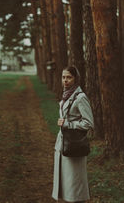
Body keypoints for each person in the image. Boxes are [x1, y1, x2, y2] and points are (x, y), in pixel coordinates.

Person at [52, 66, 94, 203]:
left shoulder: (80, 97)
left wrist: (68, 124)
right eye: (63, 77)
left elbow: (88, 123)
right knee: (66, 184)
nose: (65, 80)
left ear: (75, 79)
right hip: (63, 144)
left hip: (75, 145)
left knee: (75, 186)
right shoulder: (66, 95)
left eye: (69, 77)